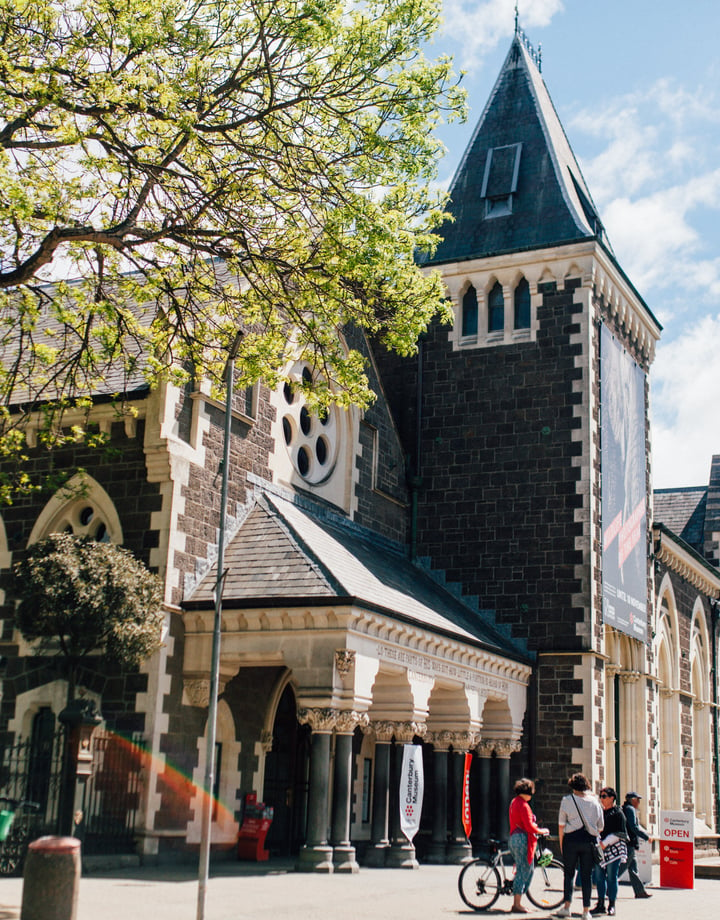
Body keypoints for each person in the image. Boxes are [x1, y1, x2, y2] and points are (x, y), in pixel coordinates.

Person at [554, 773, 604, 920]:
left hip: (571, 840)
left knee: (568, 874)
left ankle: (567, 907)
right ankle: (586, 911)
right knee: (586, 876)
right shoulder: (595, 802)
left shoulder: (567, 800)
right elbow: (601, 826)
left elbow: (561, 825)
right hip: (589, 841)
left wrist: (562, 845)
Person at [508, 778, 549, 914]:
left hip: (514, 837)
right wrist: (542, 830)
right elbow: (529, 826)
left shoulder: (514, 802)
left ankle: (517, 895)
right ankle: (517, 904)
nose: (532, 795)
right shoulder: (524, 805)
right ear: (527, 792)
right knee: (524, 869)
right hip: (522, 839)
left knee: (523, 868)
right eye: (531, 792)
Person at [591, 788, 628, 916]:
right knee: (599, 877)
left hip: (614, 848)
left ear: (612, 798)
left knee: (612, 877)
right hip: (600, 849)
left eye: (604, 796)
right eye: (601, 796)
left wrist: (605, 842)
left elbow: (620, 833)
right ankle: (600, 903)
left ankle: (612, 905)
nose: (602, 798)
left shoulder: (618, 813)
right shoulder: (599, 812)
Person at [619, 792, 652, 898]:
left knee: (633, 869)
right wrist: (646, 837)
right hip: (629, 843)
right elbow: (634, 827)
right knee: (621, 869)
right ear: (632, 800)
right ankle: (608, 886)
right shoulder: (630, 809)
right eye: (637, 800)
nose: (638, 802)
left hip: (628, 842)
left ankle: (639, 891)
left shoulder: (625, 808)